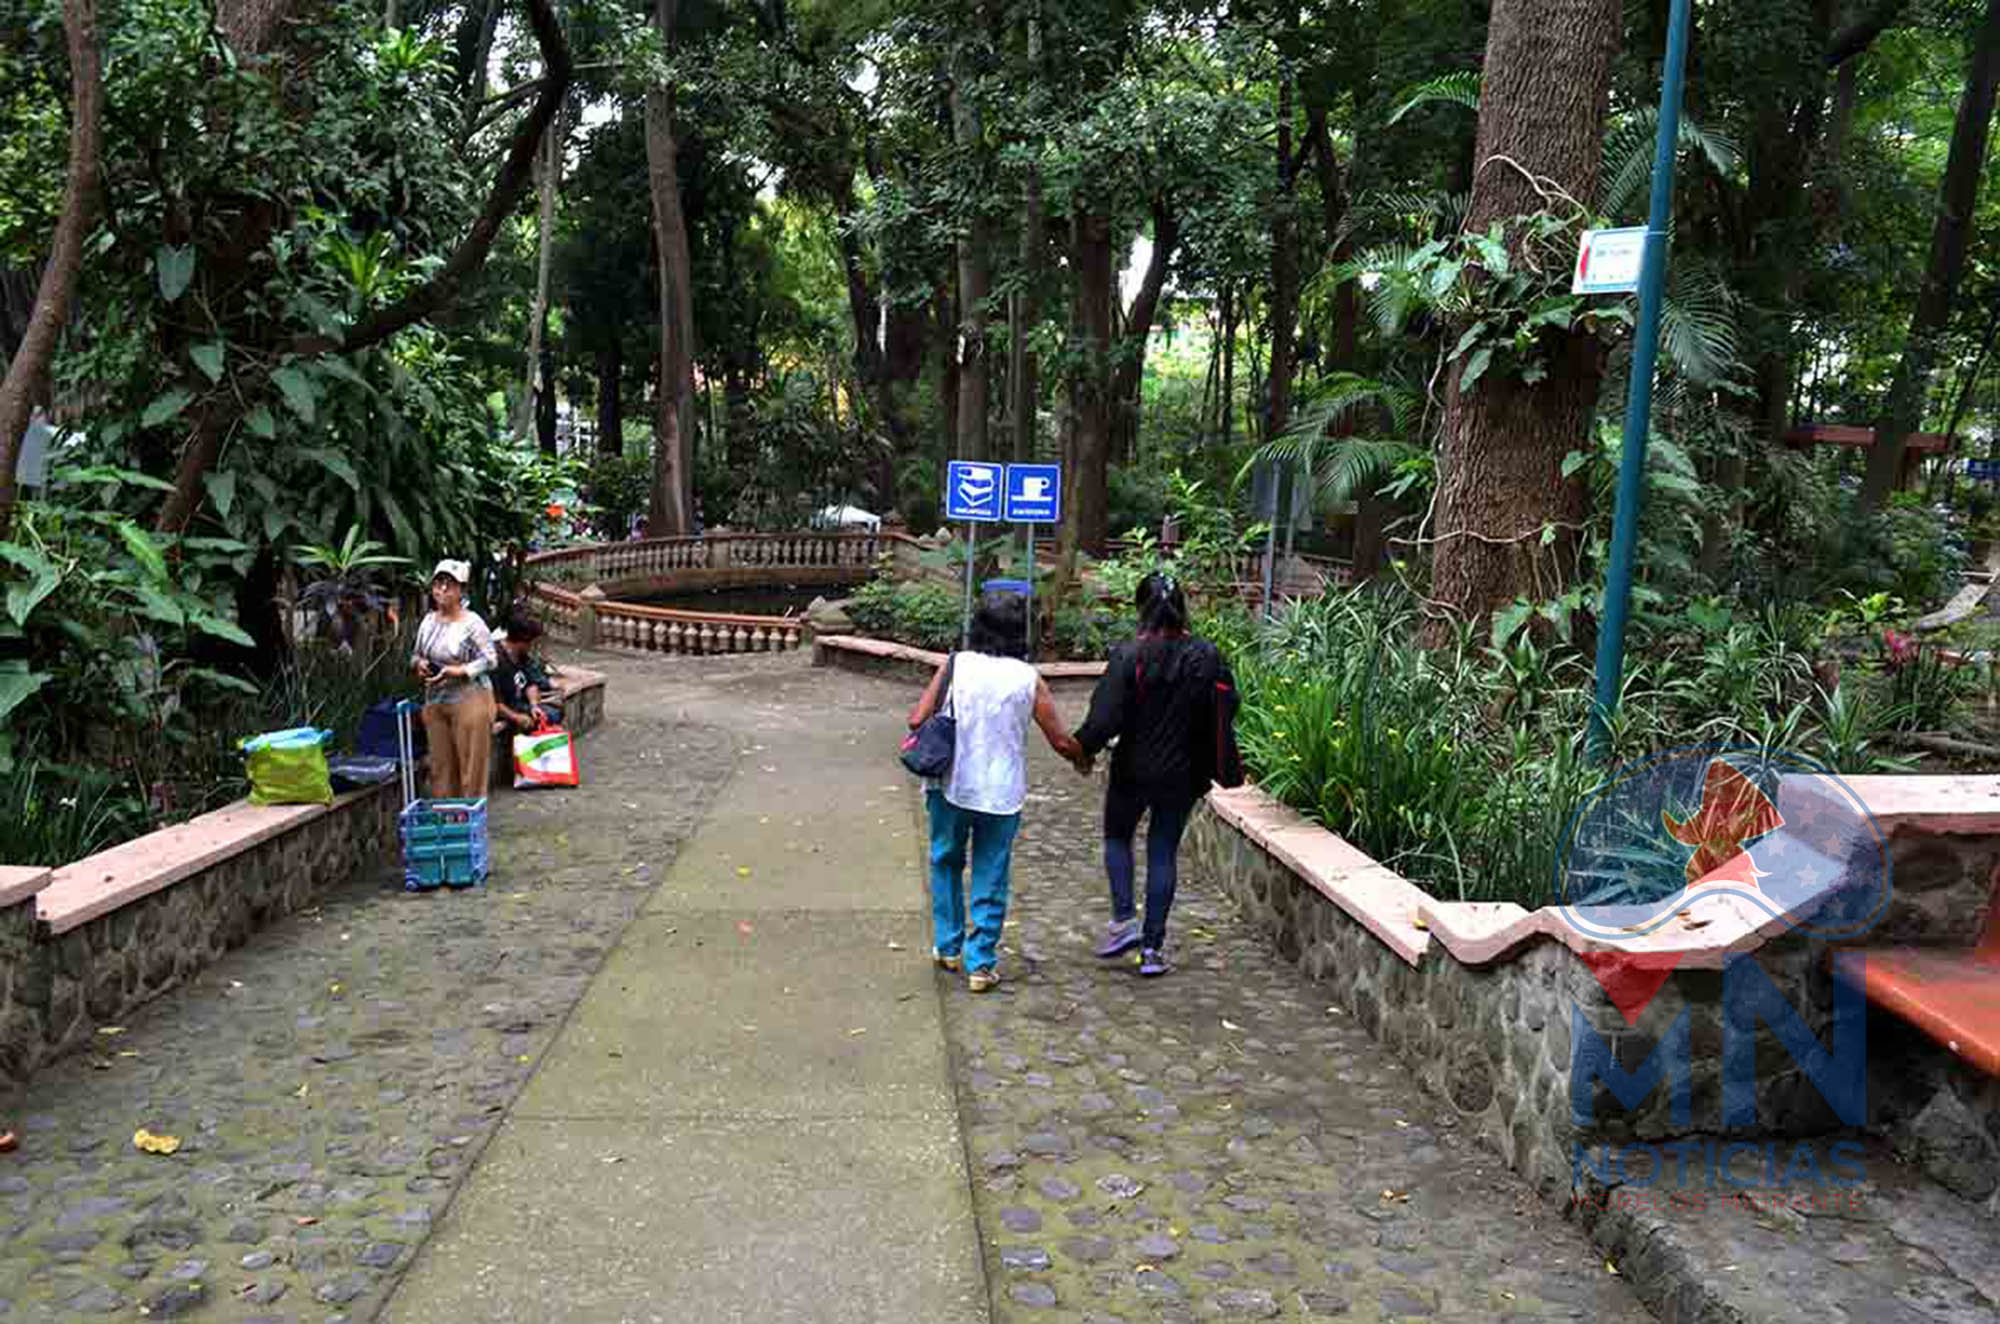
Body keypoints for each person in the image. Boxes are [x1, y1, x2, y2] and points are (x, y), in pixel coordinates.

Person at [907, 592, 1085, 993]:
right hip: (1002, 794)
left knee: (945, 861)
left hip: (950, 784)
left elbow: (917, 718)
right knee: (991, 873)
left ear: (978, 627)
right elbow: (1059, 739)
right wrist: (1082, 757)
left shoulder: (955, 664)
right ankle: (980, 964)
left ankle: (947, 946)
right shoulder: (1028, 678)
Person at [1074, 571, 1235, 977]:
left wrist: (1081, 750)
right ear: (1182, 608)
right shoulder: (1207, 655)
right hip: (1183, 773)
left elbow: (1104, 719)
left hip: (1132, 769)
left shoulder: (1130, 655)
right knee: (1163, 850)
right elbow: (1230, 706)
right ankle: (1152, 950)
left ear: (1140, 609)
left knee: (1117, 836)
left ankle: (1124, 919)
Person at [410, 559, 499, 799]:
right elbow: (416, 654)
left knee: (471, 766)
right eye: (438, 584)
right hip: (436, 699)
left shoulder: (472, 623)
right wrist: (420, 665)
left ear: (461, 589)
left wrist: (460, 670)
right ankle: (446, 821)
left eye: (449, 585)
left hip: (470, 697)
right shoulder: (428, 621)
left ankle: (470, 821)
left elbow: (490, 660)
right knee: (440, 766)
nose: (442, 590)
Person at [492, 616, 562, 734]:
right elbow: (494, 701)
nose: (533, 646)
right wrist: (516, 717)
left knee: (553, 714)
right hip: (504, 708)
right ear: (522, 641)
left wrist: (534, 705)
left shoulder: (522, 656)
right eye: (532, 642)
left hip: (520, 703)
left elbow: (531, 683)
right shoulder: (496, 660)